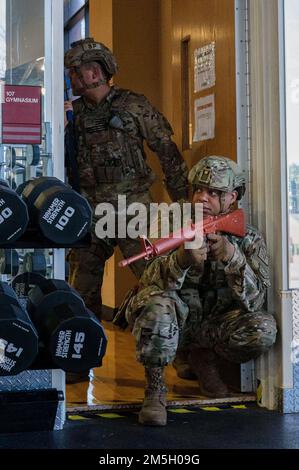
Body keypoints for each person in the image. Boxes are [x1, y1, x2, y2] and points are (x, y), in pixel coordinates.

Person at [124, 155, 277, 426]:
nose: (203, 198)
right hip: (177, 322)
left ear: (233, 197)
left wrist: (232, 257)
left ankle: (204, 359)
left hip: (214, 326)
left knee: (263, 328)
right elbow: (147, 283)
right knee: (156, 304)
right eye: (198, 189)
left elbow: (257, 301)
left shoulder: (247, 236)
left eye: (214, 192)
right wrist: (181, 260)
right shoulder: (169, 222)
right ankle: (156, 388)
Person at [64, 38, 188, 321]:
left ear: (94, 73)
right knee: (80, 293)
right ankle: (82, 360)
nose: (71, 76)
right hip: (90, 212)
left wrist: (184, 204)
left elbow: (167, 153)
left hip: (135, 211)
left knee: (158, 286)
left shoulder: (134, 106)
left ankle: (174, 360)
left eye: (75, 70)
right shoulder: (74, 114)